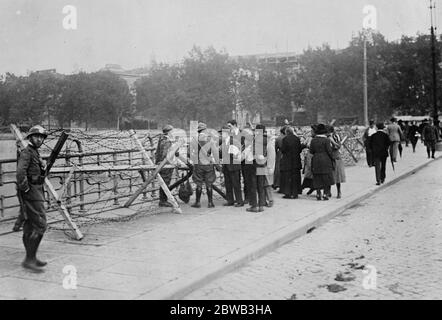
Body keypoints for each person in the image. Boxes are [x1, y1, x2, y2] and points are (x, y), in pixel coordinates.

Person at [16, 125, 49, 272]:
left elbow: (36, 172)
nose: (39, 139)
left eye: (41, 137)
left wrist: (43, 166)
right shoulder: (27, 153)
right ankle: (29, 259)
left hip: (36, 191)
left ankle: (31, 258)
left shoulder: (35, 153)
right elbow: (20, 173)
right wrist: (26, 189)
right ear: (30, 138)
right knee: (41, 225)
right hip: (32, 194)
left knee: (29, 226)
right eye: (36, 136)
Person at [190, 122, 218, 208]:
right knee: (209, 183)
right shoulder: (210, 139)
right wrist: (216, 162)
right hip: (208, 164)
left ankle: (197, 203)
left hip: (198, 164)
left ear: (198, 131)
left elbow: (189, 152)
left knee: (198, 183)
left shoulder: (194, 140)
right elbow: (215, 152)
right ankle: (210, 203)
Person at [310, 124, 335, 201]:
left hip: (316, 159)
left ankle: (318, 193)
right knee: (326, 177)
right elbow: (329, 151)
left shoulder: (313, 140)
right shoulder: (326, 140)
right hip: (325, 159)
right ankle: (325, 193)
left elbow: (311, 151)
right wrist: (332, 159)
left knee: (317, 176)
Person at [155, 124, 178, 207]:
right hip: (165, 164)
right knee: (165, 182)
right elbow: (165, 154)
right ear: (169, 132)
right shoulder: (167, 141)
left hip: (161, 163)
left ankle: (164, 199)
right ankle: (163, 200)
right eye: (172, 131)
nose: (174, 132)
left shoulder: (161, 139)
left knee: (164, 182)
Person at [222, 120, 244, 207]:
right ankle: (230, 200)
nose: (221, 135)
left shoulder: (233, 141)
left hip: (234, 166)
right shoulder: (224, 143)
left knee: (236, 184)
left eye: (222, 133)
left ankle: (239, 201)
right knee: (228, 184)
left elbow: (236, 154)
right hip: (227, 166)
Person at [247, 124, 267, 212]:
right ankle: (261, 205)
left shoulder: (256, 139)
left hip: (255, 163)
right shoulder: (266, 139)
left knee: (253, 185)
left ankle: (254, 206)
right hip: (262, 163)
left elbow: (254, 151)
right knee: (261, 184)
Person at [280, 126, 304, 199]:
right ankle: (295, 193)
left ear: (286, 132)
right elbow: (300, 149)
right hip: (296, 161)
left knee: (287, 178)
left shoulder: (285, 139)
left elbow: (283, 150)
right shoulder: (297, 139)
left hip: (287, 161)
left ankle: (288, 193)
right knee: (296, 177)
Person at [328, 126, 346, 199]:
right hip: (329, 157)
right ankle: (328, 191)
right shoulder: (326, 137)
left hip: (336, 156)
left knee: (337, 175)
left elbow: (338, 146)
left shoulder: (335, 136)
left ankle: (339, 191)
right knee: (329, 175)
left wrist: (332, 142)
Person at [273, 126, 286, 192]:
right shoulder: (286, 138)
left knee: (277, 169)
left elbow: (275, 148)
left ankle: (276, 183)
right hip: (286, 154)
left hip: (279, 153)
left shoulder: (278, 138)